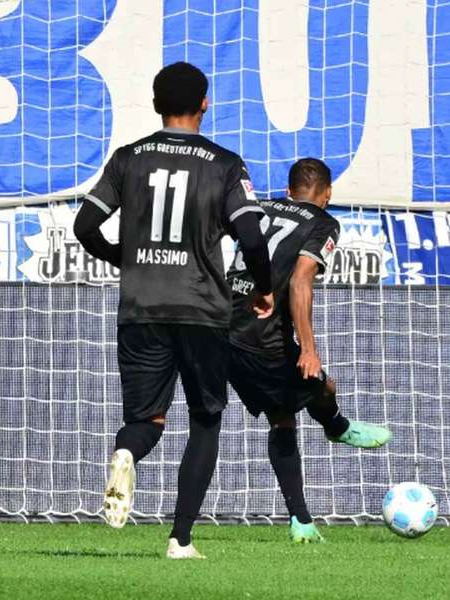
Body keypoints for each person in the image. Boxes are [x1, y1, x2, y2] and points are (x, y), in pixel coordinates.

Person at [74, 61, 275, 559]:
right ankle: (180, 539)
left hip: (141, 308)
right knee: (206, 420)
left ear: (155, 103)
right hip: (202, 310)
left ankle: (126, 453)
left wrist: (123, 256)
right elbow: (251, 236)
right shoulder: (225, 163)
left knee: (147, 419)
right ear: (205, 103)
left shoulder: (129, 158)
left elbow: (84, 225)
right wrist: (263, 288)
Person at [227, 157, 391, 542]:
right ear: (328, 194)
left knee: (282, 411)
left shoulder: (263, 206)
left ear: (289, 191)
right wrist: (310, 347)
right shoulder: (323, 222)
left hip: (220, 323)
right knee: (314, 387)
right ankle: (337, 428)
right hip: (260, 335)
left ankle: (301, 520)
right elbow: (301, 283)